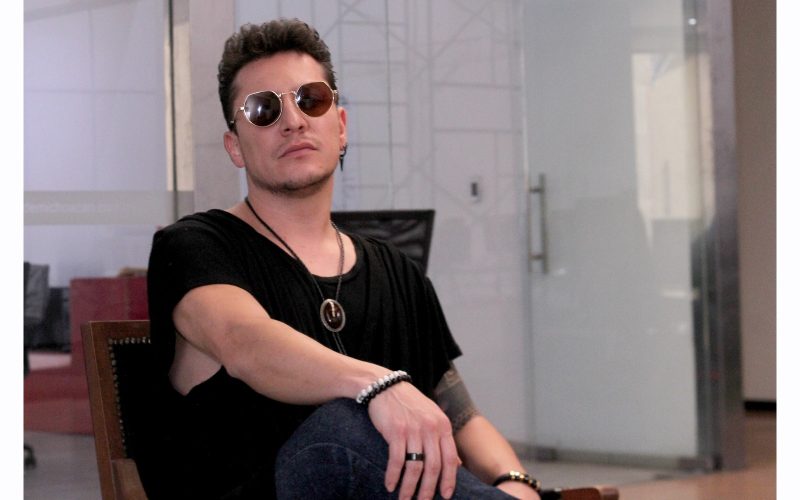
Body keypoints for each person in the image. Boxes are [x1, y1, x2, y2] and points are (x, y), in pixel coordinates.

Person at [142, 18, 541, 500]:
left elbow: (459, 414)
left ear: (342, 126)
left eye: (311, 99)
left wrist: (514, 482)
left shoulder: (397, 271)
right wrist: (379, 386)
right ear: (235, 147)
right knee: (338, 429)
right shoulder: (194, 246)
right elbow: (243, 341)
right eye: (264, 109)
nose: (293, 120)